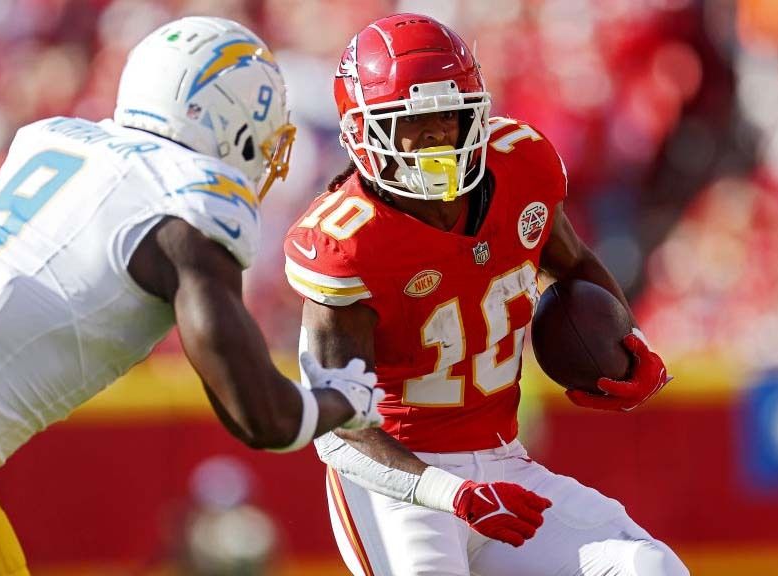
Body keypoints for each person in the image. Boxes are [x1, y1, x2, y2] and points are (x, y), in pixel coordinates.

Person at [0, 16, 386, 575]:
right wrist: (344, 399)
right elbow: (263, 418)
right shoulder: (189, 214)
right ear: (230, 125)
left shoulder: (63, 150)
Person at [283, 13, 689, 576]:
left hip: (504, 463)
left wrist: (630, 339)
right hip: (398, 483)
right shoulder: (348, 241)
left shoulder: (519, 166)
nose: (436, 138)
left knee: (648, 567)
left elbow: (573, 264)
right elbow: (336, 432)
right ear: (362, 132)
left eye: (447, 116)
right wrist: (449, 495)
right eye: (412, 123)